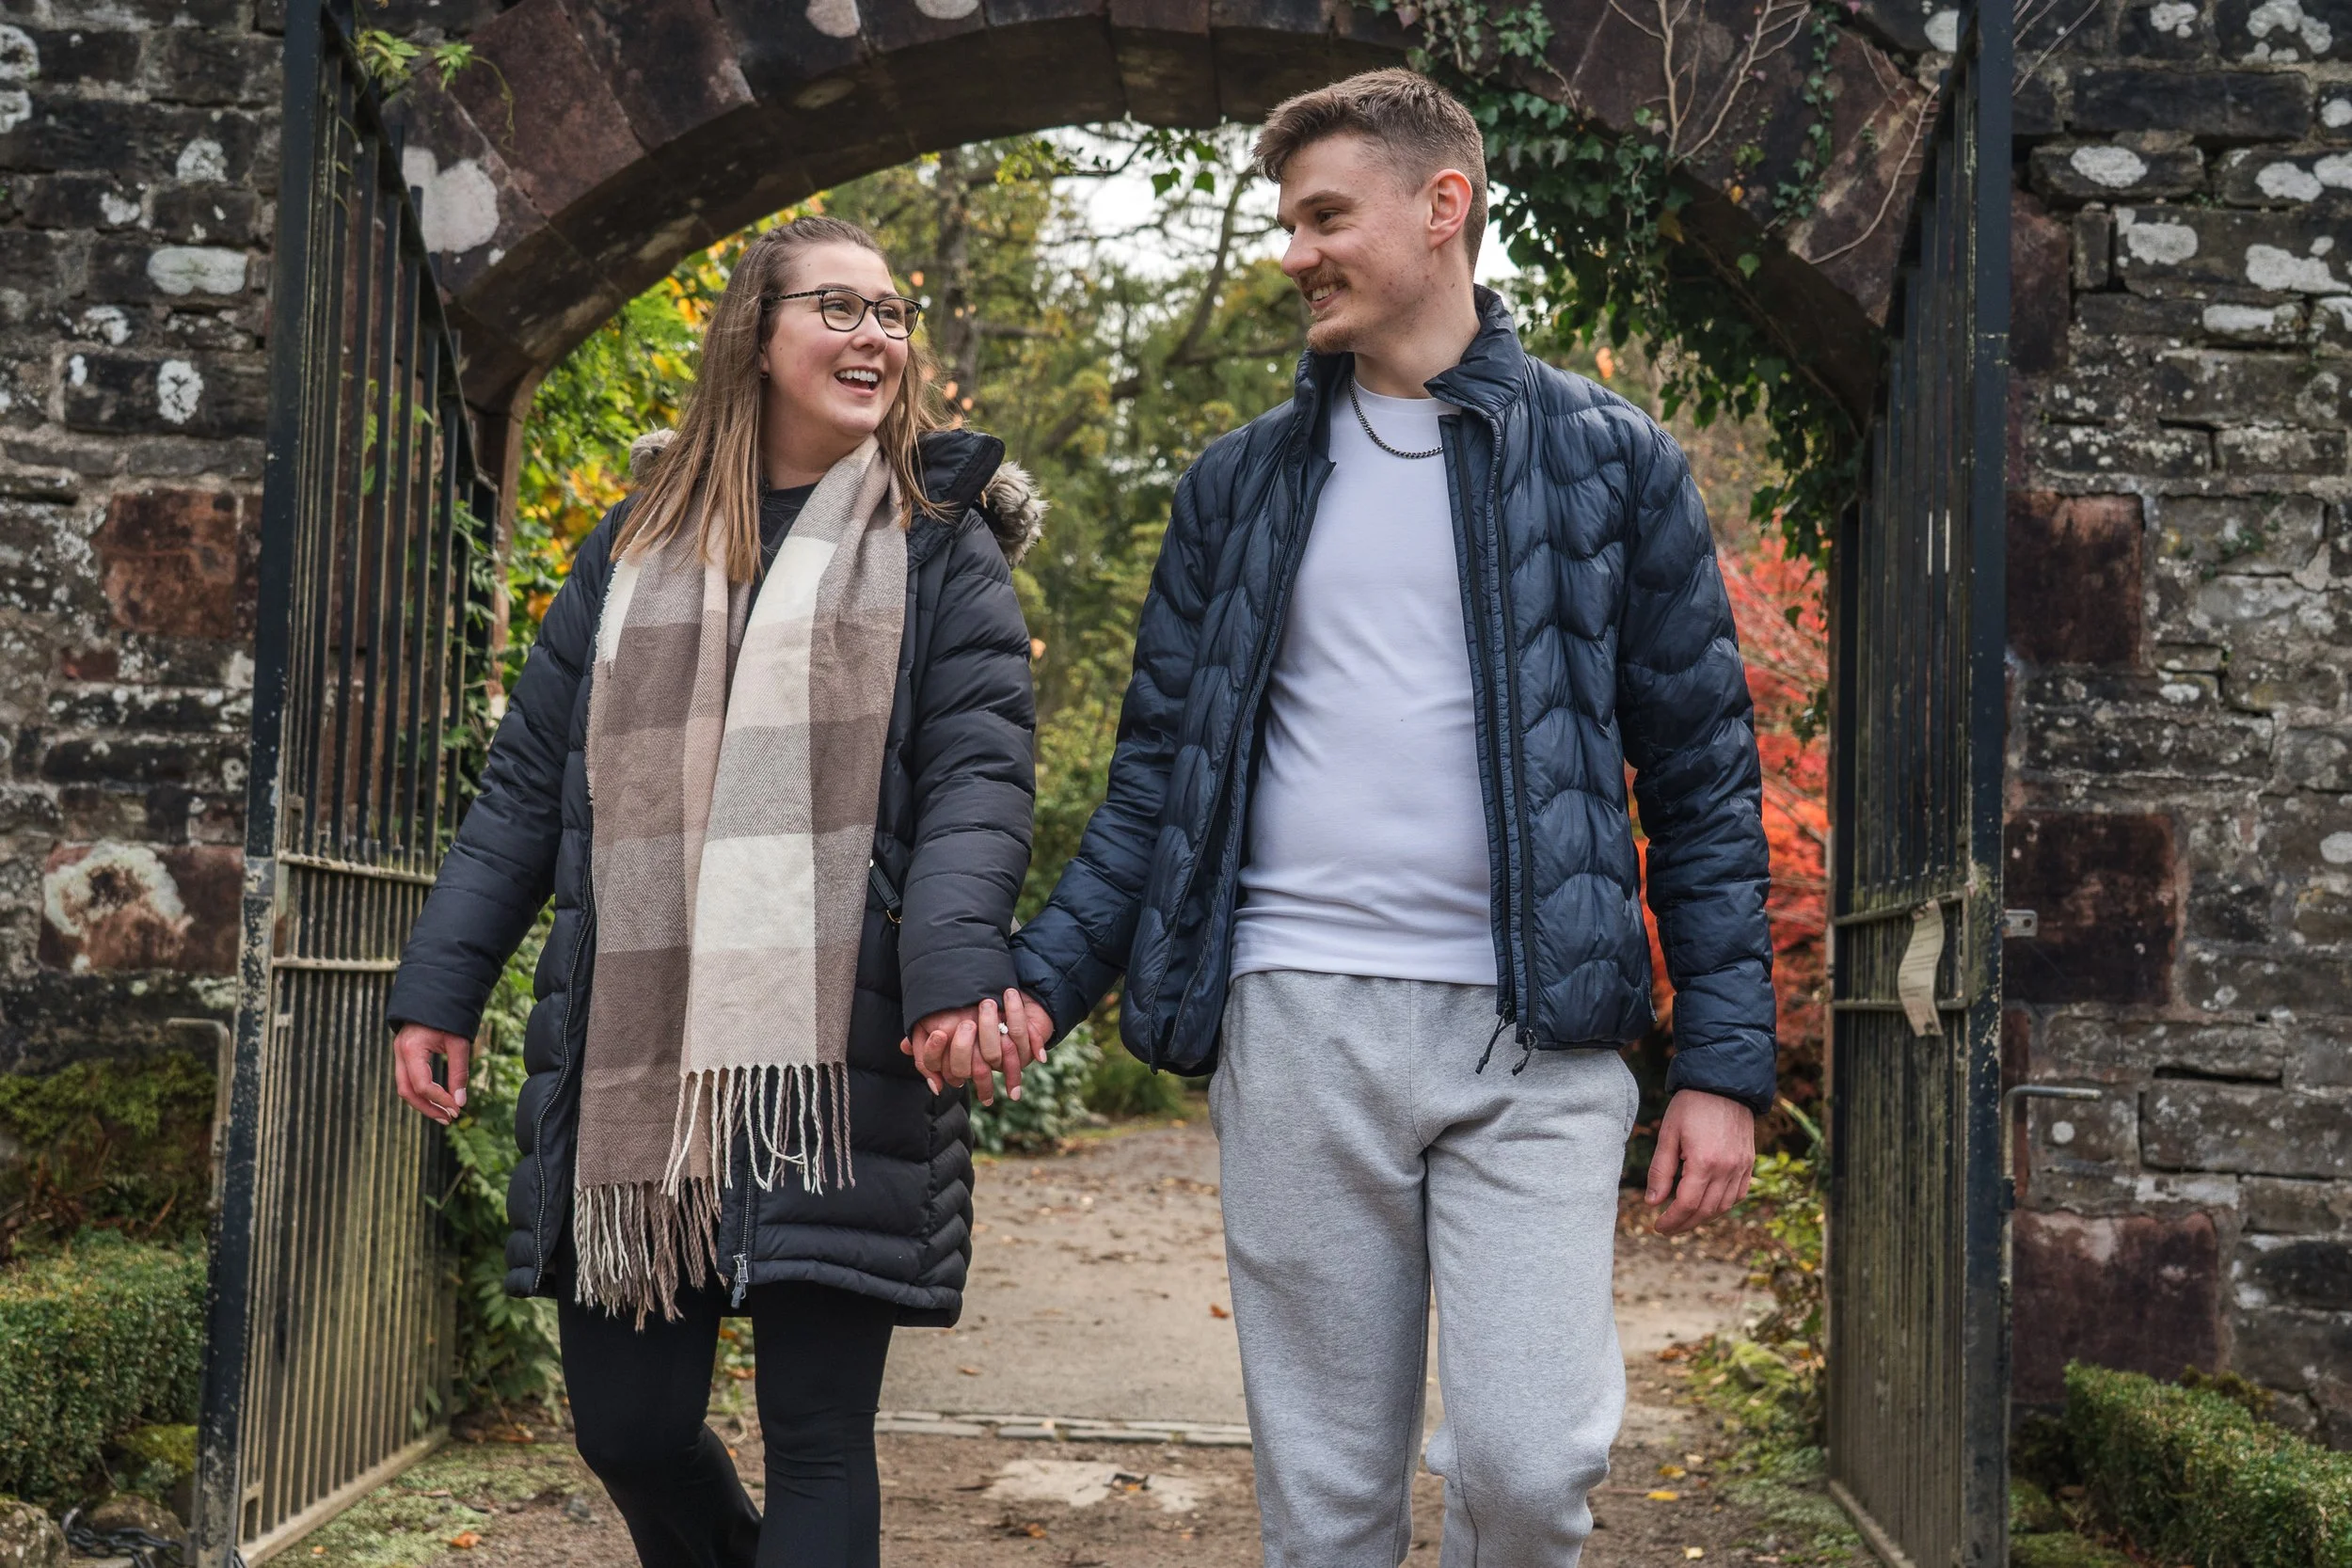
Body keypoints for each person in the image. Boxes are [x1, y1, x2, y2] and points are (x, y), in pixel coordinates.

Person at [923, 70, 1777, 1567]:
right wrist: (1043, 984)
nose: (1295, 252)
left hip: (1541, 1036)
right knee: (1324, 1502)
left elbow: (1702, 780)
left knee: (1526, 1464)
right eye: (1287, 221)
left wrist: (1722, 1061)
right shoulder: (1239, 487)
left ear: (1443, 206)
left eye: (1326, 216)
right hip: (1300, 1020)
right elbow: (1157, 784)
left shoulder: (1613, 461)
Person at [387, 214, 1044, 1568]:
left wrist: (952, 974)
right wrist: (441, 984)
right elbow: (523, 791)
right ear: (756, 329)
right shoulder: (634, 548)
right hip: (636, 1049)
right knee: (628, 1426)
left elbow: (981, 779)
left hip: (835, 1049)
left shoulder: (937, 546)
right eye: (840, 308)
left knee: (816, 1432)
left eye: (892, 314)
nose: (876, 337)